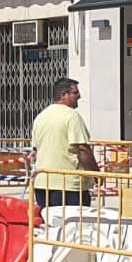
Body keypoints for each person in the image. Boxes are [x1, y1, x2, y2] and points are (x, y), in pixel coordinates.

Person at [30, 77, 99, 208]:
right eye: (76, 93)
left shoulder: (41, 117)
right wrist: (97, 174)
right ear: (64, 95)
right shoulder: (72, 117)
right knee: (75, 226)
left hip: (42, 183)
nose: (79, 96)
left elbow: (36, 150)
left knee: (50, 225)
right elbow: (83, 150)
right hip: (68, 185)